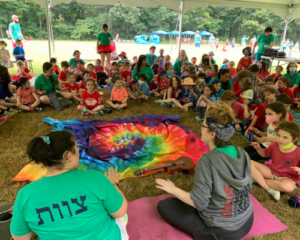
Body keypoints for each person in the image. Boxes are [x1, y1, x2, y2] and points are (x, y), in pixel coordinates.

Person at [156, 104, 253, 240]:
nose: (200, 127)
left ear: (213, 134)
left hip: (223, 232)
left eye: (203, 124)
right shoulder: (241, 151)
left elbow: (198, 204)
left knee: (165, 205)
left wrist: (173, 189)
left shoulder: (207, 160)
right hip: (247, 220)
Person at [10, 131, 129, 239]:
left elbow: (20, 238)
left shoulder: (24, 195)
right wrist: (113, 184)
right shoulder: (95, 178)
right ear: (68, 156)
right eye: (76, 148)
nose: (78, 152)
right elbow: (120, 211)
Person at [251, 122, 300, 201]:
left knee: (289, 187)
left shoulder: (298, 152)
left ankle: (259, 180)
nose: (280, 139)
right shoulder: (274, 145)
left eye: (285, 137)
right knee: (249, 162)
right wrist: (258, 148)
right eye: (278, 135)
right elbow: (265, 154)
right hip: (272, 172)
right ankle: (267, 188)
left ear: (294, 139)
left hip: (287, 178)